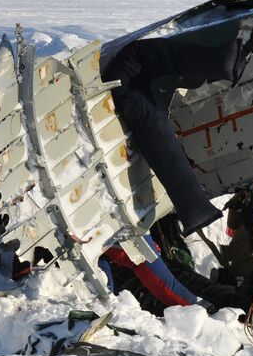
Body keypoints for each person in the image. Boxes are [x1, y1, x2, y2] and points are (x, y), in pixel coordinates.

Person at [100, 34, 245, 236]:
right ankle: (223, 61)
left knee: (148, 61)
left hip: (123, 79)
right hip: (131, 86)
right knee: (159, 131)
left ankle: (223, 60)